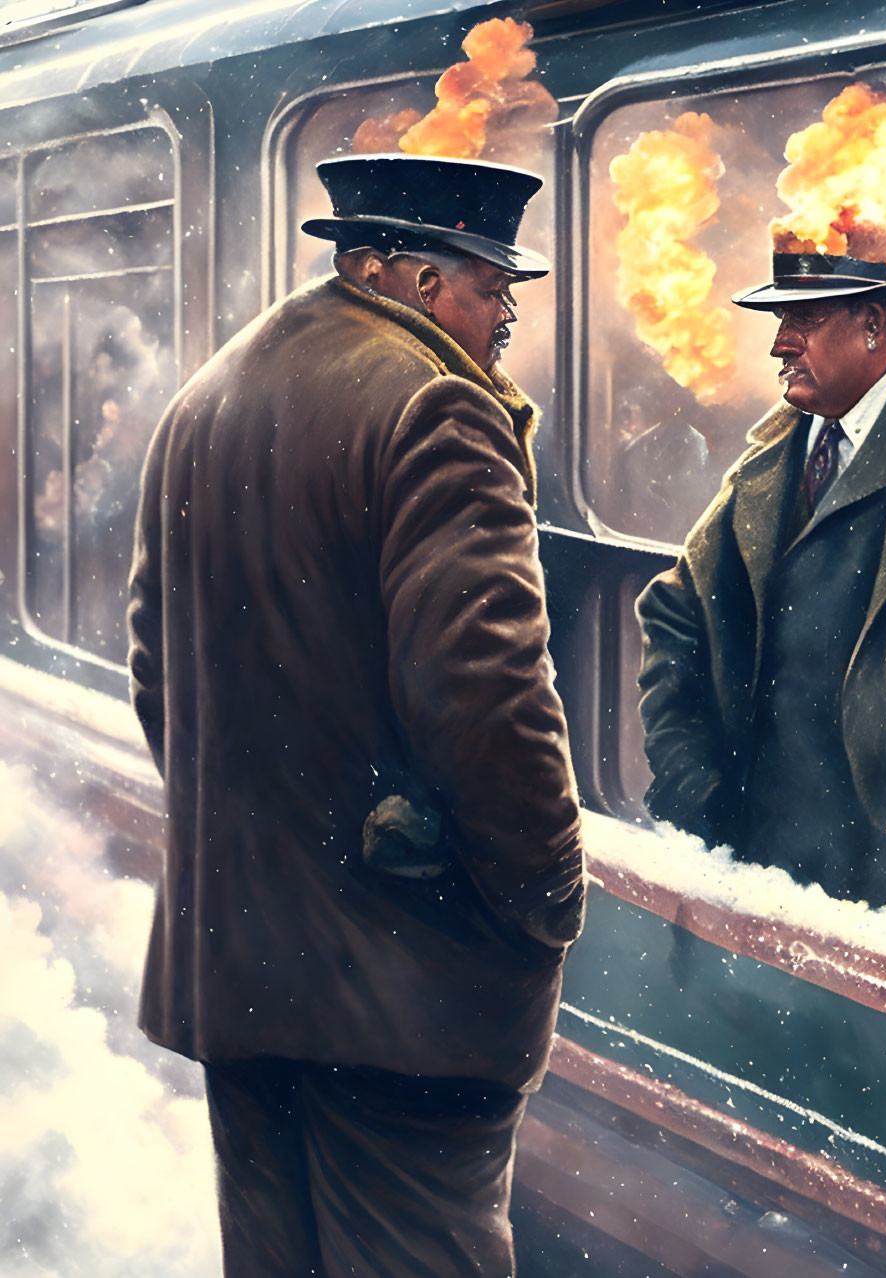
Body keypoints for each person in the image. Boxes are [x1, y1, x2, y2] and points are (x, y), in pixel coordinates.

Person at [127, 153, 585, 1274]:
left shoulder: (211, 390)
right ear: (418, 284)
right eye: (492, 284)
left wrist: (271, 829)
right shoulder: (437, 407)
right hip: (400, 984)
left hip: (239, 965)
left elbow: (156, 666)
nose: (507, 313)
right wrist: (545, 890)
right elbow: (482, 691)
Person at [635, 231, 886, 905]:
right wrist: (692, 783)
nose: (778, 343)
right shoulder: (772, 458)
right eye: (779, 321)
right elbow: (675, 617)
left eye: (803, 321)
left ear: (874, 324)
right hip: (767, 855)